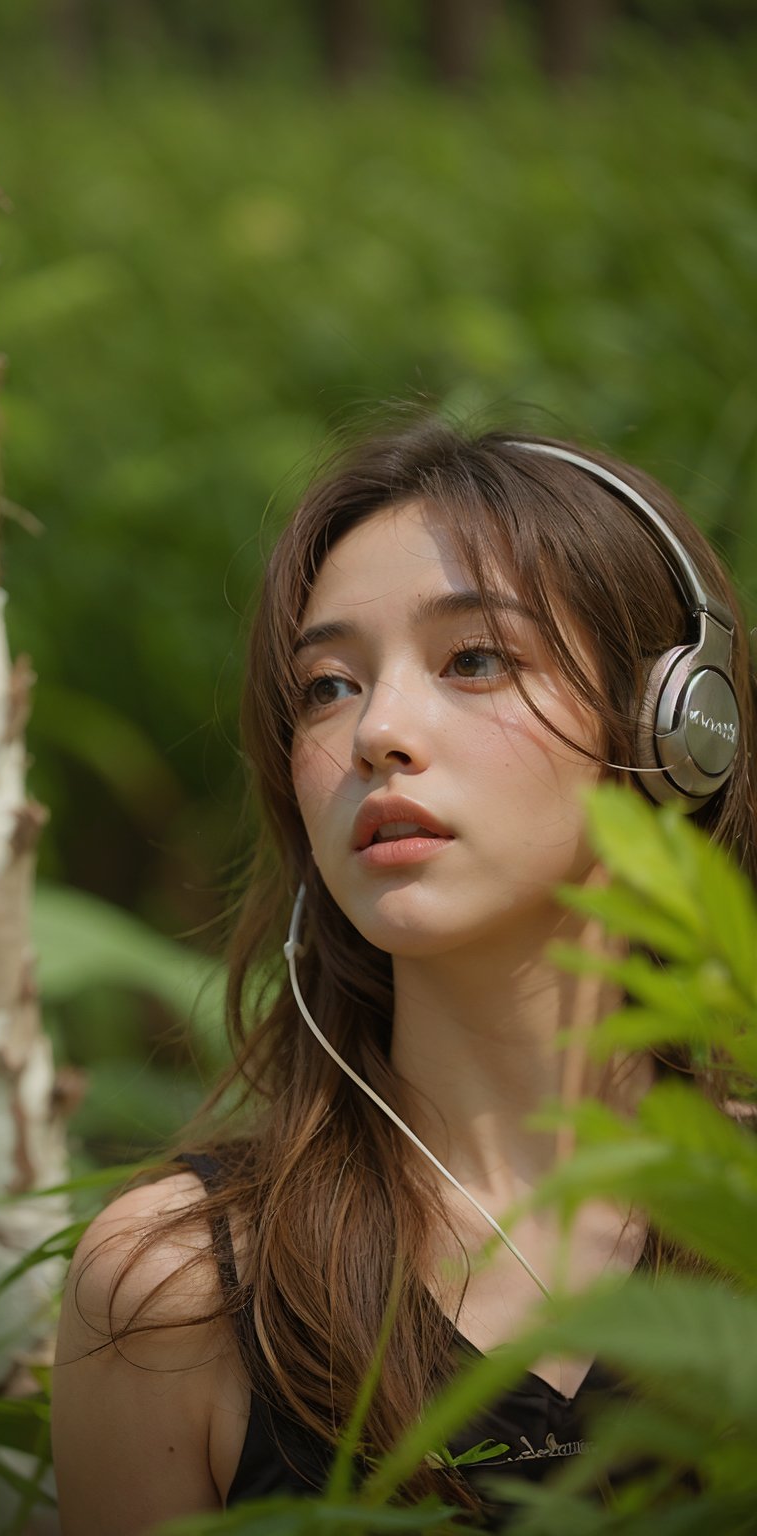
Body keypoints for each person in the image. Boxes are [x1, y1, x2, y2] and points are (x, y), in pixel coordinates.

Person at [50, 417, 756, 1534]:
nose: (377, 730)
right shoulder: (174, 1283)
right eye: (326, 686)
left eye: (475, 658)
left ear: (674, 728)